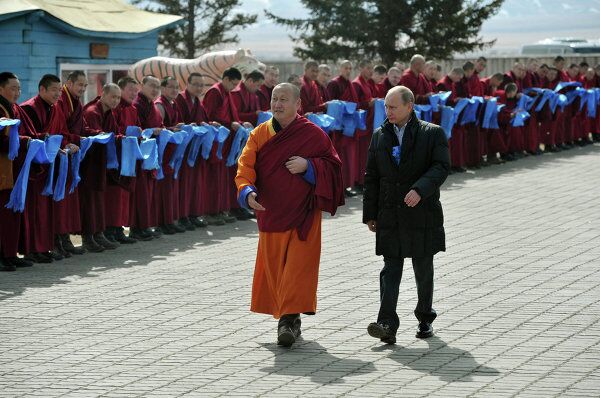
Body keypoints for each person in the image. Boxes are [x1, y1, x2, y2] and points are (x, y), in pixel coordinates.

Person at [235, 83, 344, 347]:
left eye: (284, 99)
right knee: (276, 270)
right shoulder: (260, 134)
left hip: (303, 214)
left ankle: (288, 319)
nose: (278, 104)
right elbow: (245, 165)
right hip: (271, 212)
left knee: (297, 269)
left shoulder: (314, 135)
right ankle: (288, 319)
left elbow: (334, 167)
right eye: (274, 99)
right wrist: (247, 190)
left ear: (298, 105)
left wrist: (310, 166)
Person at [363, 85, 449, 344]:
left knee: (423, 268)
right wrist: (370, 214)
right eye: (386, 107)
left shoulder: (431, 133)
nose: (387, 111)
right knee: (390, 270)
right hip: (390, 213)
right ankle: (387, 324)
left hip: (421, 212)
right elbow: (372, 176)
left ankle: (425, 318)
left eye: (393, 107)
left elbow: (441, 166)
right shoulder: (379, 135)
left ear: (409, 106)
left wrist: (420, 190)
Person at [20, 74, 80, 260]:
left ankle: (43, 248)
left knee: (46, 210)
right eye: (53, 90)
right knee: (34, 210)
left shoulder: (55, 109)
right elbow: (27, 135)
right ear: (42, 89)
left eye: (59, 90)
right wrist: (46, 140)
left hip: (51, 166)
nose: (57, 94)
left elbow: (62, 133)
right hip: (34, 168)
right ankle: (31, 250)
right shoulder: (28, 108)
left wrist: (68, 144)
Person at [203, 67, 254, 222]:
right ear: (225, 79)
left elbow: (232, 115)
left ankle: (229, 208)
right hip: (219, 141)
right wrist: (230, 123)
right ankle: (213, 211)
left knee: (229, 177)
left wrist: (239, 123)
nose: (233, 88)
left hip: (230, 142)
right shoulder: (215, 92)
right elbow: (210, 117)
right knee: (216, 178)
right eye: (232, 84)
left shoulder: (226, 93)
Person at [0, 72, 37, 270]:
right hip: (2, 170)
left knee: (11, 215)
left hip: (14, 170)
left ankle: (10, 254)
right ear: (0, 88)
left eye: (19, 88)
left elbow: (26, 132)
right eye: (13, 88)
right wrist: (24, 141)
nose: (17, 92)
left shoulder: (14, 109)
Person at [80, 83, 122, 252]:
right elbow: (90, 132)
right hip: (89, 162)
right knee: (89, 201)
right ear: (103, 94)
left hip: (101, 161)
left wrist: (124, 138)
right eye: (113, 96)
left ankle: (99, 234)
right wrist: (105, 136)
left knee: (98, 200)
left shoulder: (109, 113)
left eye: (118, 98)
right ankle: (88, 237)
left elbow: (114, 133)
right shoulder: (92, 112)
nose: (116, 101)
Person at [53, 70, 88, 256]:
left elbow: (80, 127)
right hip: (60, 154)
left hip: (71, 154)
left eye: (85, 86)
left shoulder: (76, 103)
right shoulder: (60, 102)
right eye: (80, 84)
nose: (82, 89)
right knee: (60, 200)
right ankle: (57, 238)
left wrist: (89, 135)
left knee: (68, 200)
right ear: (69, 83)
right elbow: (58, 130)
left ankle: (64, 236)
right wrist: (72, 140)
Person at [174, 73, 215, 227]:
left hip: (195, 148)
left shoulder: (198, 101)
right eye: (196, 84)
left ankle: (193, 214)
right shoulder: (180, 100)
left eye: (201, 85)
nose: (199, 88)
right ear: (187, 84)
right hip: (184, 148)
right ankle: (183, 216)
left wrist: (209, 124)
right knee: (184, 183)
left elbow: (201, 120)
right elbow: (177, 122)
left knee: (194, 183)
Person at [106, 76, 141, 244]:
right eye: (130, 90)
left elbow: (138, 129)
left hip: (128, 156)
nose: (134, 94)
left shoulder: (133, 109)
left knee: (124, 195)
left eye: (136, 91)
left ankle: (119, 228)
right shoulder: (114, 108)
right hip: (116, 155)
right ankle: (111, 228)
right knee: (114, 195)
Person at [154, 76, 186, 235]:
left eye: (177, 87)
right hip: (163, 153)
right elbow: (160, 129)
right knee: (162, 189)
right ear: (163, 88)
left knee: (170, 188)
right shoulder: (159, 105)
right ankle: (161, 222)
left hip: (172, 153)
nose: (175, 90)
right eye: (171, 87)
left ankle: (169, 220)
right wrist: (174, 129)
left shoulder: (173, 104)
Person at [327, 60, 359, 197]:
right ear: (340, 69)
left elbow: (355, 102)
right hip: (338, 129)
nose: (348, 70)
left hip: (349, 126)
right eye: (346, 68)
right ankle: (337, 187)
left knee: (347, 159)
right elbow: (331, 105)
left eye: (350, 68)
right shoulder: (334, 83)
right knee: (339, 158)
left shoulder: (349, 84)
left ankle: (345, 186)